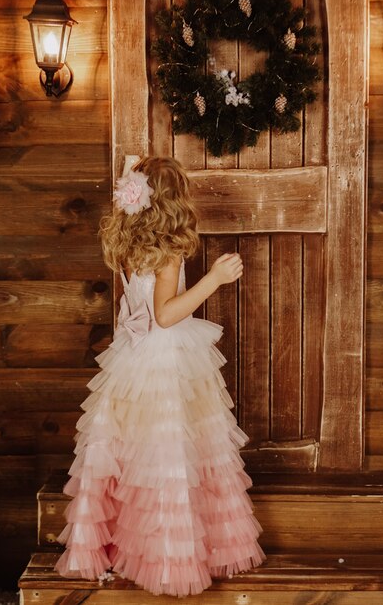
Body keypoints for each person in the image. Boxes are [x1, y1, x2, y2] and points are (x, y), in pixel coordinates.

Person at [54, 156, 266, 597]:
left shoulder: (128, 243)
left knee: (132, 455)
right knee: (170, 460)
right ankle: (170, 560)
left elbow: (137, 307)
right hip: (162, 357)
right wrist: (215, 278)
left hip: (132, 356)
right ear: (173, 201)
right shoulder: (167, 249)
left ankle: (118, 548)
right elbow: (166, 315)